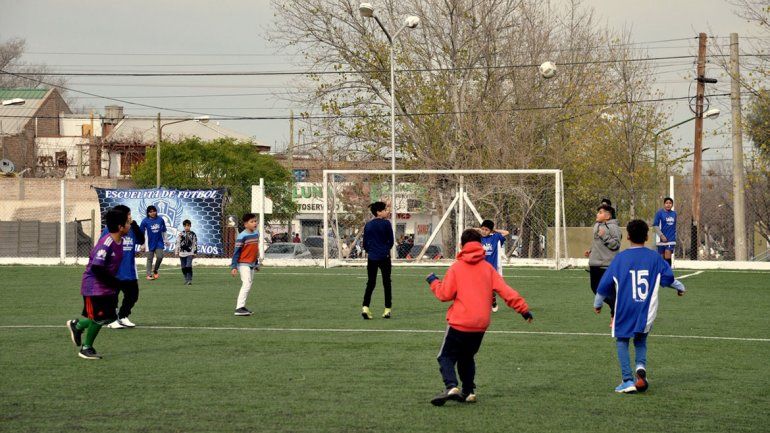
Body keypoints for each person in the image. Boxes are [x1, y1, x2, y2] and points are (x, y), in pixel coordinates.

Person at [425, 228, 533, 405]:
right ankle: (469, 392)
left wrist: (434, 282)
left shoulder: (457, 268)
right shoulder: (488, 269)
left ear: (461, 245)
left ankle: (451, 385)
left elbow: (444, 295)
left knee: (445, 357)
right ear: (481, 245)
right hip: (480, 324)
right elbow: (506, 291)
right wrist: (523, 309)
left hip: (460, 322)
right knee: (467, 357)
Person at [594, 219, 686, 393]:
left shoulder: (620, 258)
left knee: (622, 340)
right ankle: (640, 368)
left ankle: (627, 380)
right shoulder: (654, 257)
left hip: (625, 308)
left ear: (627, 236)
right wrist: (681, 288)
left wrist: (597, 303)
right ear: (647, 236)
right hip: (646, 310)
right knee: (641, 339)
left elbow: (604, 284)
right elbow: (668, 278)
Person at [66, 208, 130, 360]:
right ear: (120, 227)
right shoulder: (106, 244)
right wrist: (116, 283)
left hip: (107, 286)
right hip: (94, 287)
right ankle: (86, 348)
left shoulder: (120, 240)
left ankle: (78, 325)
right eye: (128, 222)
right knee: (99, 317)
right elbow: (97, 268)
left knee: (109, 318)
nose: (130, 224)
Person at [102, 205, 144, 329]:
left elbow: (141, 240)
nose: (130, 216)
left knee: (133, 295)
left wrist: (134, 224)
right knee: (112, 296)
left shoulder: (131, 229)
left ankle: (123, 316)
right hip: (114, 271)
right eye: (128, 214)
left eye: (130, 214)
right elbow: (102, 247)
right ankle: (112, 319)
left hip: (129, 270)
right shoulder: (109, 230)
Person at [584, 204, 622, 320]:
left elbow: (616, 245)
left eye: (600, 212)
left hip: (606, 265)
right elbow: (597, 242)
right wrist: (591, 250)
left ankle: (615, 312)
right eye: (598, 212)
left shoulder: (613, 227)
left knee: (607, 290)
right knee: (595, 289)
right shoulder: (597, 225)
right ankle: (615, 310)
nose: (597, 214)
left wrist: (605, 236)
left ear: (607, 216)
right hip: (595, 263)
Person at [361, 201, 394, 320]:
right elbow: (391, 241)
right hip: (384, 257)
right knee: (386, 283)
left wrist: (371, 251)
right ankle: (387, 309)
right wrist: (385, 250)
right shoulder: (386, 224)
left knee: (371, 282)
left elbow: (365, 244)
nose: (387, 211)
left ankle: (365, 307)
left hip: (372, 258)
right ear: (379, 212)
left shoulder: (368, 225)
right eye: (385, 210)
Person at [230, 213, 260, 316]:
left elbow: (255, 250)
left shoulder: (256, 233)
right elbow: (236, 252)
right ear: (246, 224)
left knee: (249, 284)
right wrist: (234, 267)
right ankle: (238, 308)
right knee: (246, 284)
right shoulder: (242, 236)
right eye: (252, 222)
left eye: (255, 221)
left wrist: (256, 263)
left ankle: (242, 307)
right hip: (243, 264)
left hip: (251, 264)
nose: (254, 223)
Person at [478, 219, 510, 313]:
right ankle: (488, 302)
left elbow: (506, 232)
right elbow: (469, 231)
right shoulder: (478, 237)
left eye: (486, 230)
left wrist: (494, 230)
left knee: (491, 287)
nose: (484, 231)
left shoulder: (495, 237)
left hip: (492, 267)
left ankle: (493, 301)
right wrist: (479, 229)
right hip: (480, 267)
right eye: (482, 229)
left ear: (491, 231)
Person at [139, 205, 167, 280]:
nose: (153, 213)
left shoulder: (160, 220)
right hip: (149, 243)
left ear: (156, 211)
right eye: (150, 212)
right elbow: (141, 233)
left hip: (159, 242)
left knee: (160, 257)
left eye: (154, 211)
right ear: (148, 213)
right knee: (149, 259)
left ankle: (155, 270)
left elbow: (164, 230)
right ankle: (149, 275)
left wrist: (166, 240)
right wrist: (142, 244)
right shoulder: (145, 221)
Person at [653, 197, 677, 266]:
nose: (668, 205)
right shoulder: (659, 213)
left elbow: (673, 227)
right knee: (662, 258)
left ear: (672, 205)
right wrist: (661, 235)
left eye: (670, 203)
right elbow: (655, 225)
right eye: (666, 203)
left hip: (670, 239)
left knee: (667, 253)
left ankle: (668, 273)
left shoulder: (674, 214)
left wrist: (675, 236)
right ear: (664, 204)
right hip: (661, 239)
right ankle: (663, 274)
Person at [175, 219, 198, 285]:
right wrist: (176, 252)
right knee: (183, 267)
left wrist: (195, 252)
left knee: (188, 266)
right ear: (183, 226)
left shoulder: (193, 234)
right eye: (185, 226)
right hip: (182, 253)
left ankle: (189, 279)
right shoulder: (181, 234)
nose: (186, 227)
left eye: (188, 226)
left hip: (190, 253)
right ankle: (186, 278)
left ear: (190, 226)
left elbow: (194, 243)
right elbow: (177, 243)